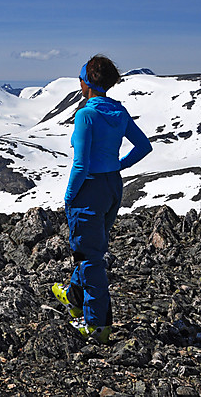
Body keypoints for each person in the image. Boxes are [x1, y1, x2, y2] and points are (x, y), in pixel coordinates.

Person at [52, 55, 152, 344]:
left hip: (90, 188)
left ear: (87, 82)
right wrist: (118, 166)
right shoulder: (118, 112)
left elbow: (80, 164)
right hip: (112, 187)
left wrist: (70, 197)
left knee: (90, 256)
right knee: (92, 247)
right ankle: (73, 296)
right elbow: (144, 146)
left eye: (80, 77)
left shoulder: (85, 115)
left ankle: (97, 325)